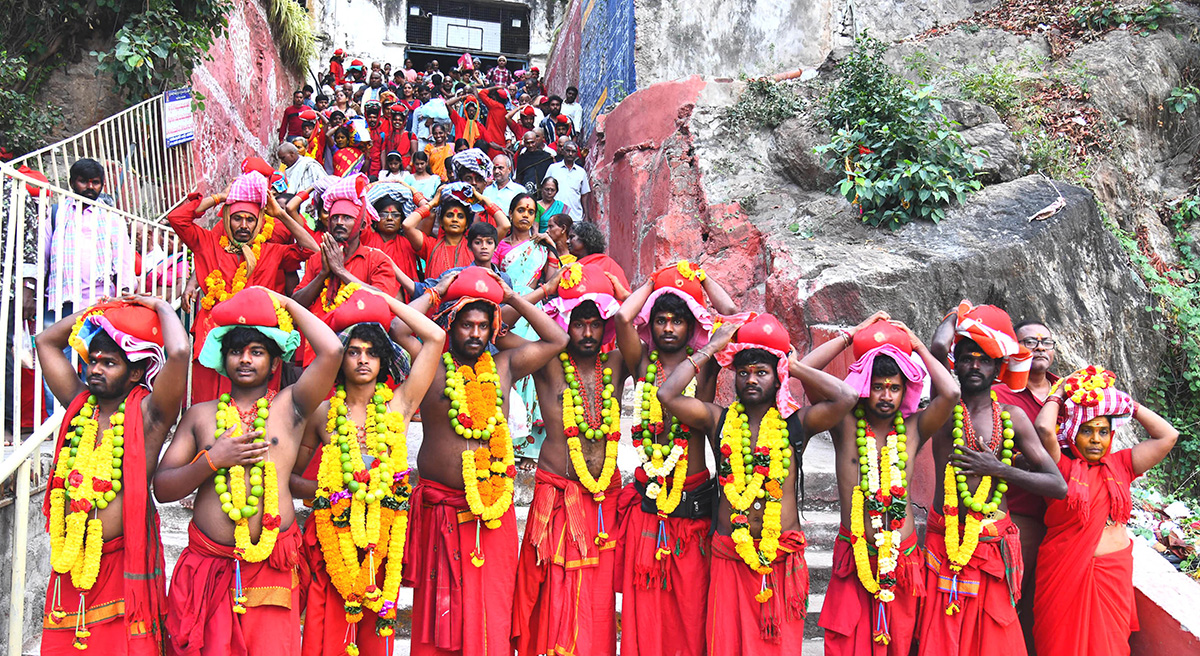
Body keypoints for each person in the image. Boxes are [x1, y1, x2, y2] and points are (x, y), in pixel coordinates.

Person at [659, 314, 859, 655]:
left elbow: (846, 397)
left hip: (780, 558)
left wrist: (791, 367)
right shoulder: (716, 420)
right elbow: (667, 393)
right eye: (744, 372)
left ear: (776, 377)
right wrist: (712, 348)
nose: (751, 379)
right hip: (728, 556)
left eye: (762, 372)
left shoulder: (797, 424)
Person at [401, 266, 567, 656]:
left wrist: (511, 299)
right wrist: (439, 291)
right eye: (466, 325)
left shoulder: (505, 367)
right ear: (450, 327)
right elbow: (398, 330)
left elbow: (556, 339)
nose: (475, 334)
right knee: (438, 615)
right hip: (439, 509)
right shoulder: (432, 364)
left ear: (492, 328)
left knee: (493, 609)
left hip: (492, 511)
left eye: (482, 326)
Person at [295, 287, 445, 656]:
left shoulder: (399, 406)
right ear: (340, 358)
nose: (363, 360)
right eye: (354, 351)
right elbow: (292, 479)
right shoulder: (322, 411)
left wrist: (380, 300)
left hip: (383, 540)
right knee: (326, 634)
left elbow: (436, 338)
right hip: (332, 539)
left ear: (383, 361)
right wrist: (330, 493)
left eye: (372, 352)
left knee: (375, 641)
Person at [37, 297, 189, 654]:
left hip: (123, 567)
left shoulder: (150, 417)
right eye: (92, 361)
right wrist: (96, 312)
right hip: (71, 561)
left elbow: (180, 352)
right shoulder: (78, 406)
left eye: (109, 363)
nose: (95, 370)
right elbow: (45, 341)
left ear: (135, 373)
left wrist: (157, 304)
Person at [803, 314, 960, 655]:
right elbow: (802, 369)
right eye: (877, 386)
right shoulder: (844, 423)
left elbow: (950, 392)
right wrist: (851, 335)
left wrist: (916, 345)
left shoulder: (915, 428)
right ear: (863, 387)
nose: (885, 395)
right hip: (855, 555)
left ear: (905, 390)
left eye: (894, 387)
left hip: (902, 561)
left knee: (901, 647)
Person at [920, 301, 1068, 656]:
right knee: (942, 639)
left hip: (992, 543)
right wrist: (961, 313)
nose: (974, 365)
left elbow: (1058, 485)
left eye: (984, 359)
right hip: (946, 538)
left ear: (999, 367)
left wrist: (1000, 470)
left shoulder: (1013, 417)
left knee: (992, 642)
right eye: (968, 356)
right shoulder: (944, 406)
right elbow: (938, 347)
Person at [610, 261, 738, 656]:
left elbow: (734, 316)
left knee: (691, 612)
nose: (668, 327)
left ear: (691, 327)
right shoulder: (641, 362)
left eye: (678, 321)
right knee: (645, 612)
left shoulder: (707, 362)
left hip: (695, 504)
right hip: (649, 501)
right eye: (662, 320)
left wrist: (699, 279)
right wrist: (653, 280)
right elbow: (621, 317)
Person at [509, 263, 625, 655]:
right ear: (565, 324)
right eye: (579, 323)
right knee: (551, 588)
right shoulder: (547, 362)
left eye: (595, 324)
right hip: (557, 493)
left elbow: (632, 320)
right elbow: (498, 328)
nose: (587, 333)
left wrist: (616, 296)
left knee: (595, 594)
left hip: (601, 499)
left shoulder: (616, 365)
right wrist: (542, 293)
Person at [1031, 367, 1177, 656]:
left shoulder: (1121, 465)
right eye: (1087, 431)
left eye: (1103, 432)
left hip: (1114, 576)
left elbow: (1168, 436)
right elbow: (1045, 429)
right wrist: (1060, 391)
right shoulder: (1060, 469)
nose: (1096, 439)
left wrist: (1128, 406)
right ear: (1073, 434)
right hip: (1065, 575)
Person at [167, 171, 318, 404]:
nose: (244, 225)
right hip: (212, 341)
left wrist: (281, 215)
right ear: (227, 218)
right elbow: (177, 218)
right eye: (237, 218)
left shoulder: (271, 252)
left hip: (258, 345)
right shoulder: (208, 244)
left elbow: (311, 249)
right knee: (208, 409)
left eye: (250, 219)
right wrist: (219, 197)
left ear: (259, 222)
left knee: (257, 413)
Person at [993, 319, 1059, 652]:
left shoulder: (1069, 391)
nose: (1039, 348)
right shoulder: (1000, 394)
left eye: (1046, 342)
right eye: (1029, 342)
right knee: (1012, 598)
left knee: (1048, 608)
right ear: (1013, 350)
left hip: (1067, 518)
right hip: (1022, 513)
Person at [493, 194, 561, 458]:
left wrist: (553, 246)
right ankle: (505, 439)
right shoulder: (498, 247)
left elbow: (554, 283)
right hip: (507, 312)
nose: (525, 215)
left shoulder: (543, 248)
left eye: (531, 212)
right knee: (507, 370)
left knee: (534, 374)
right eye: (520, 210)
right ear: (511, 214)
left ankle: (529, 447)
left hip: (533, 312)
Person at [32, 158, 137, 322]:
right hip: (61, 301)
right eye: (83, 181)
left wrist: (125, 294)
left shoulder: (112, 217)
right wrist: (31, 291)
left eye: (95, 182)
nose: (90, 187)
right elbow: (41, 259)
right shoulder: (56, 214)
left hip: (100, 302)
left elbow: (123, 261)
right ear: (72, 182)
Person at [293, 175, 404, 329]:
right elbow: (296, 303)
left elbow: (383, 300)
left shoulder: (377, 260)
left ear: (362, 224)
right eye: (335, 217)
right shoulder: (317, 259)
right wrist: (323, 274)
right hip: (315, 342)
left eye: (347, 218)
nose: (339, 222)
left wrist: (340, 271)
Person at [403, 182, 510, 280]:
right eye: (450, 215)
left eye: (460, 216)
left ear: (467, 224)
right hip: (435, 300)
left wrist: (483, 200)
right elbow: (407, 225)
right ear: (441, 221)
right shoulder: (430, 245)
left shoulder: (475, 245)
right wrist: (433, 203)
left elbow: (505, 225)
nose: (455, 219)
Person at [361, 182, 424, 290]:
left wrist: (412, 190)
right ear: (375, 220)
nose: (390, 218)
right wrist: (378, 183)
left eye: (395, 215)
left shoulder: (410, 241)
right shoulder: (367, 237)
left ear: (402, 222)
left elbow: (429, 212)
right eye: (384, 214)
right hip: (372, 297)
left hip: (405, 302)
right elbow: (360, 205)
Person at [569, 221, 629, 289]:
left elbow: (625, 295)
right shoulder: (572, 265)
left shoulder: (608, 264)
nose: (567, 241)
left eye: (572, 237)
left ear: (585, 239)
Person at [544, 142, 590, 221]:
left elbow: (584, 195)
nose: (570, 154)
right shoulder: (553, 168)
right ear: (563, 151)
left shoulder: (581, 172)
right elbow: (545, 189)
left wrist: (586, 215)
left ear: (576, 154)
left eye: (573, 152)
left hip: (575, 217)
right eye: (568, 151)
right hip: (555, 216)